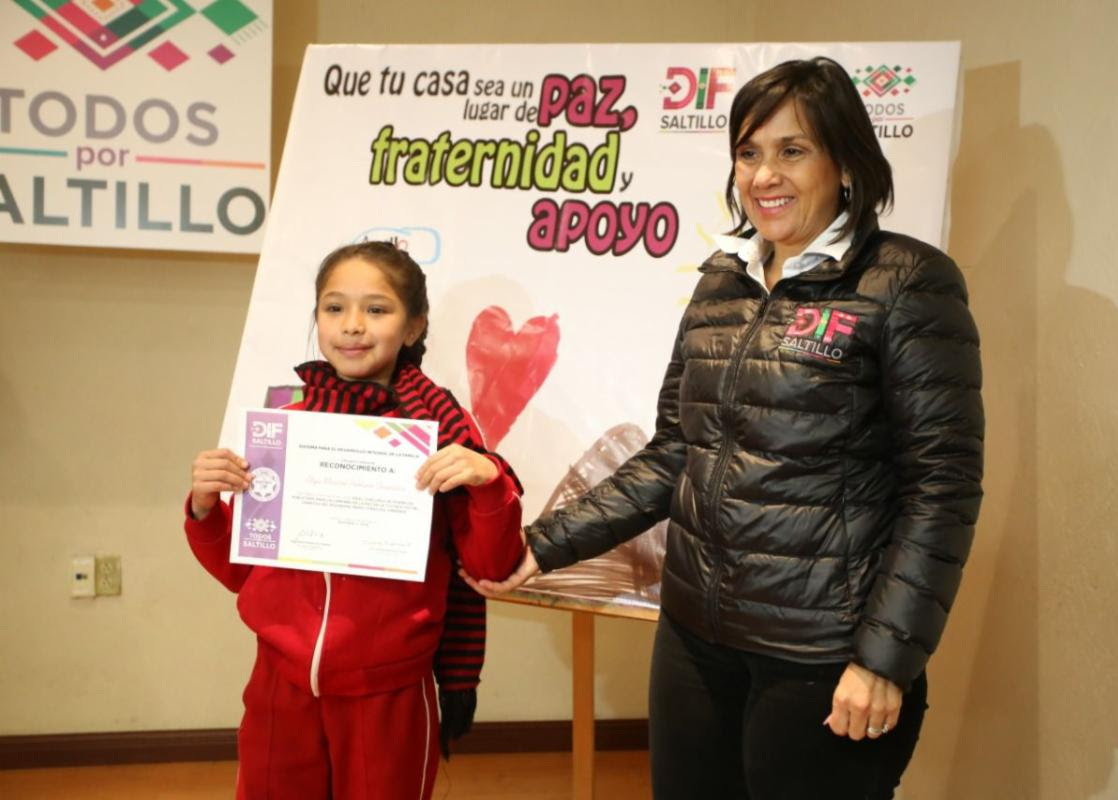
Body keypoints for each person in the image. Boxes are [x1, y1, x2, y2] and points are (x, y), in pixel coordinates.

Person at [464, 57, 984, 800]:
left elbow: (942, 489)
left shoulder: (905, 282)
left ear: (845, 162)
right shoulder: (723, 281)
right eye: (748, 152)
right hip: (694, 638)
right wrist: (544, 544)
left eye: (792, 150)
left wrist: (884, 659)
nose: (764, 175)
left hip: (820, 654)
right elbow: (675, 452)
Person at [185, 241, 524, 799]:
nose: (352, 325)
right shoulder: (285, 425)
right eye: (335, 307)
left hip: (388, 691)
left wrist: (488, 481)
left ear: (414, 326)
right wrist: (205, 509)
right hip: (279, 685)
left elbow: (489, 565)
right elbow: (241, 572)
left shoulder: (442, 433)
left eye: (377, 309)